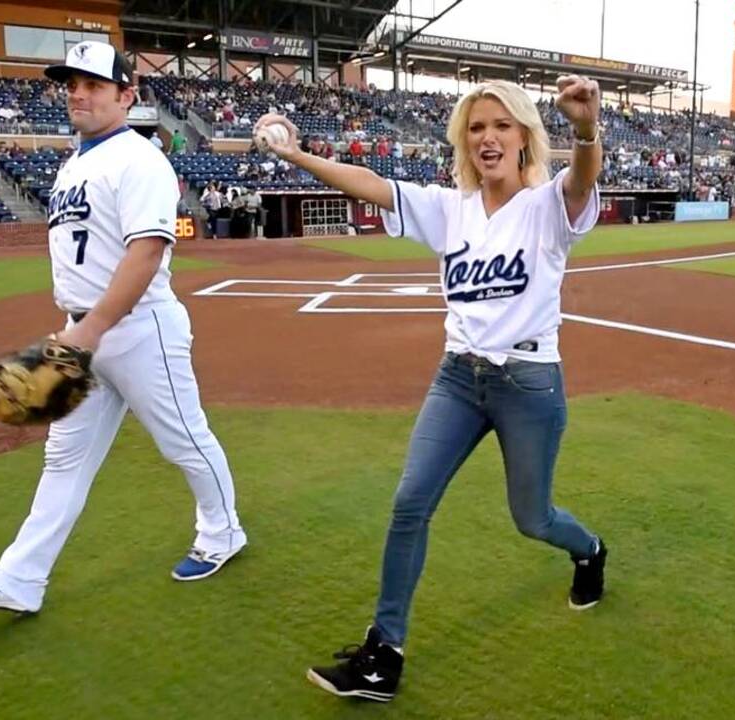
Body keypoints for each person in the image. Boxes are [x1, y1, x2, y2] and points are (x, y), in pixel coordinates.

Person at [255, 76, 609, 702]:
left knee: (532, 518)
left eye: (501, 125)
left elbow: (581, 180)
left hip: (528, 383)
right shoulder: (451, 209)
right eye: (476, 128)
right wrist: (295, 155)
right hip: (457, 377)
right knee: (409, 502)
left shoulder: (549, 204)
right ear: (463, 141)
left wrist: (585, 128)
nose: (488, 137)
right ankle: (382, 654)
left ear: (525, 136)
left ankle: (589, 549)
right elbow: (372, 185)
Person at [0, 40, 247, 614]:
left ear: (126, 96)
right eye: (71, 85)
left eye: (94, 86)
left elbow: (147, 253)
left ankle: (223, 531)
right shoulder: (75, 161)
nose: (78, 95)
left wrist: (92, 328)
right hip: (82, 331)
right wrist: (78, 329)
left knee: (183, 440)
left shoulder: (140, 159)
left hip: (138, 328)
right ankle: (18, 580)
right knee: (64, 459)